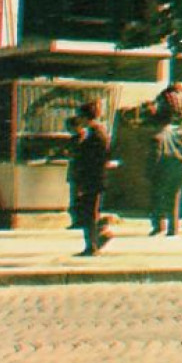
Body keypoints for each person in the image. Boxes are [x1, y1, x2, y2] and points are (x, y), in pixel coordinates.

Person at [146, 82, 182, 237]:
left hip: (164, 165)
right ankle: (173, 227)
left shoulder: (164, 99)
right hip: (180, 163)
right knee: (174, 196)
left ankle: (158, 224)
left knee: (157, 194)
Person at [70, 101, 112, 256]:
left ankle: (94, 243)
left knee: (89, 212)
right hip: (95, 177)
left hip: (93, 178)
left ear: (84, 116)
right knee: (89, 211)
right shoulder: (97, 132)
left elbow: (94, 157)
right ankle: (97, 238)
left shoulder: (95, 134)